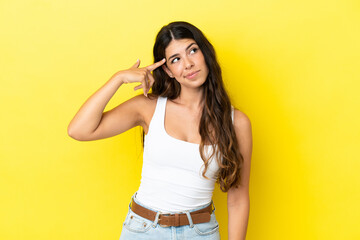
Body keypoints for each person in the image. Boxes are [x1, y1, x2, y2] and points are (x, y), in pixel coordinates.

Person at [68, 21, 252, 240]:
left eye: (192, 50)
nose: (188, 64)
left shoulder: (236, 122)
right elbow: (79, 130)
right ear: (168, 70)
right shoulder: (148, 107)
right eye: (176, 59)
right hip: (143, 230)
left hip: (201, 233)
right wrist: (119, 78)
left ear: (205, 53)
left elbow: (238, 198)